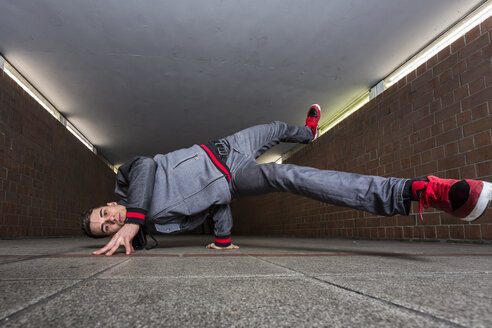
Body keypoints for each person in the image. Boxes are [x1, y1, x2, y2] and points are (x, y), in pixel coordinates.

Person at [80, 105, 492, 256]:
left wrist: (133, 216)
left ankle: (308, 132)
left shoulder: (128, 178)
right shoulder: (161, 224)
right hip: (237, 178)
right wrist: (222, 240)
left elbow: (151, 166)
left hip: (224, 147)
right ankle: (416, 191)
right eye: (108, 229)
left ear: (108, 202)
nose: (112, 221)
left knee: (276, 127)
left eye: (104, 215)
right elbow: (215, 204)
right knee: (284, 174)